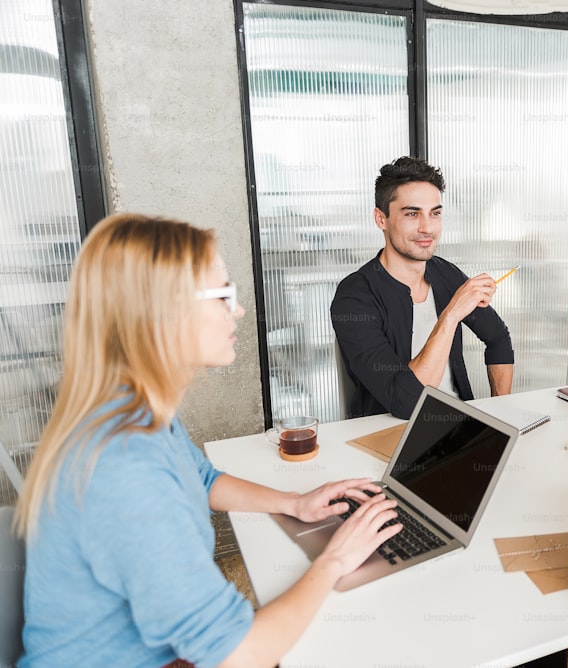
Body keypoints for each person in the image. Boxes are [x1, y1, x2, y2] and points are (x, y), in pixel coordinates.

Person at [14, 214, 403, 667]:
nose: (236, 310)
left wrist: (296, 503)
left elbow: (202, 480)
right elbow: (240, 655)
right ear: (160, 313)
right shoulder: (124, 466)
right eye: (222, 296)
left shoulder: (131, 408)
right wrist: (334, 560)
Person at [331, 156, 514, 419]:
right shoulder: (355, 298)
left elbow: (498, 338)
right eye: (412, 214)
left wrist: (499, 414)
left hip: (459, 425)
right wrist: (450, 316)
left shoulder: (446, 274)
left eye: (435, 213)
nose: (427, 228)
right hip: (390, 433)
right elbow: (406, 404)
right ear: (381, 219)